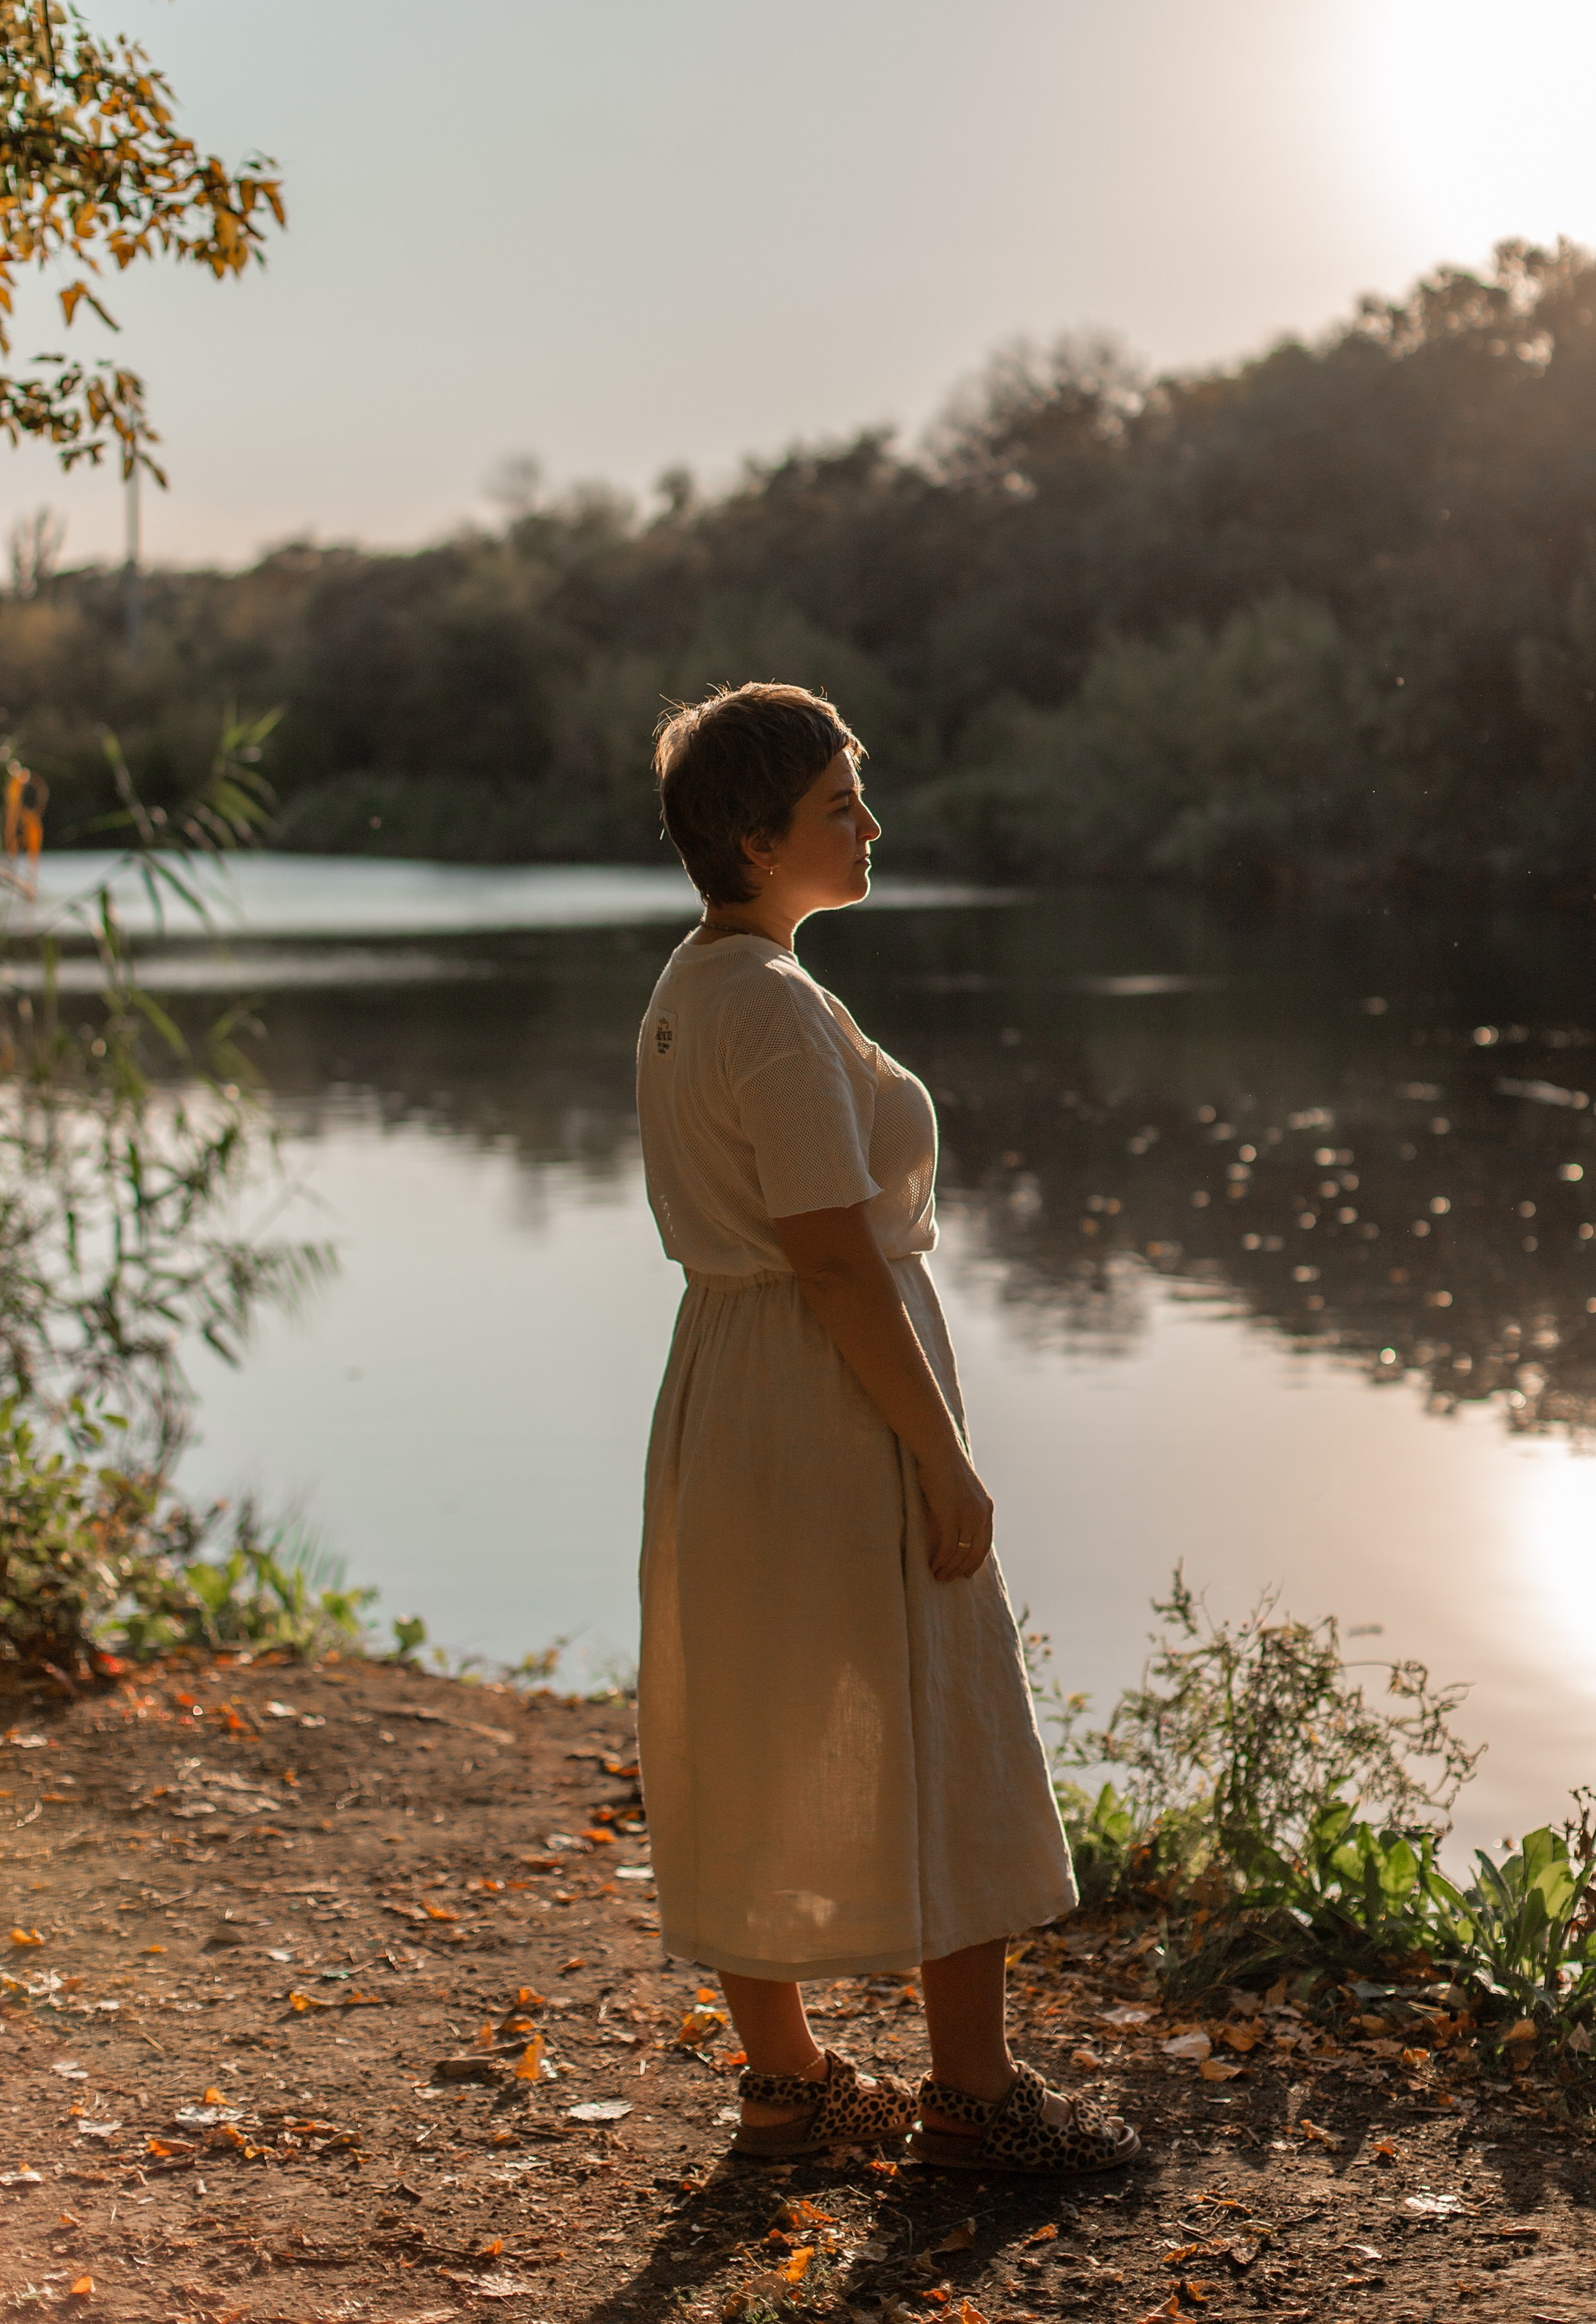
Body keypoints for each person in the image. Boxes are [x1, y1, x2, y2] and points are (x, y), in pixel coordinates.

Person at [635, 681, 1141, 2176]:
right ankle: (973, 2099)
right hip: (821, 1394)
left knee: (744, 1716)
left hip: (730, 1395)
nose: (869, 824)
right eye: (837, 806)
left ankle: (786, 2086)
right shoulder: (772, 1013)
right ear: (749, 835)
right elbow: (836, 1258)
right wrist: (941, 1457)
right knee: (941, 1705)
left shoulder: (694, 985)